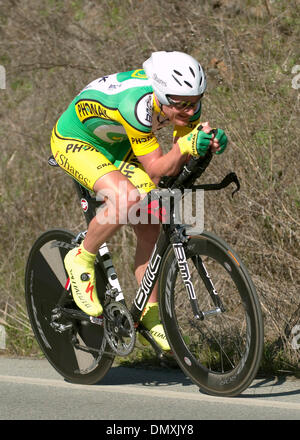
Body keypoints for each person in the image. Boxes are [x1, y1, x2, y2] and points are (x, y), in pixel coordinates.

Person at [50, 51, 228, 351]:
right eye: (180, 103)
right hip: (76, 141)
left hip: (118, 145)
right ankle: (81, 257)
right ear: (160, 94)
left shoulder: (184, 102)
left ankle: (150, 312)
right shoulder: (137, 105)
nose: (188, 110)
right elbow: (159, 168)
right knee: (126, 198)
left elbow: (173, 166)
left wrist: (205, 145)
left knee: (150, 224)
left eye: (195, 102)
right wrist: (185, 144)